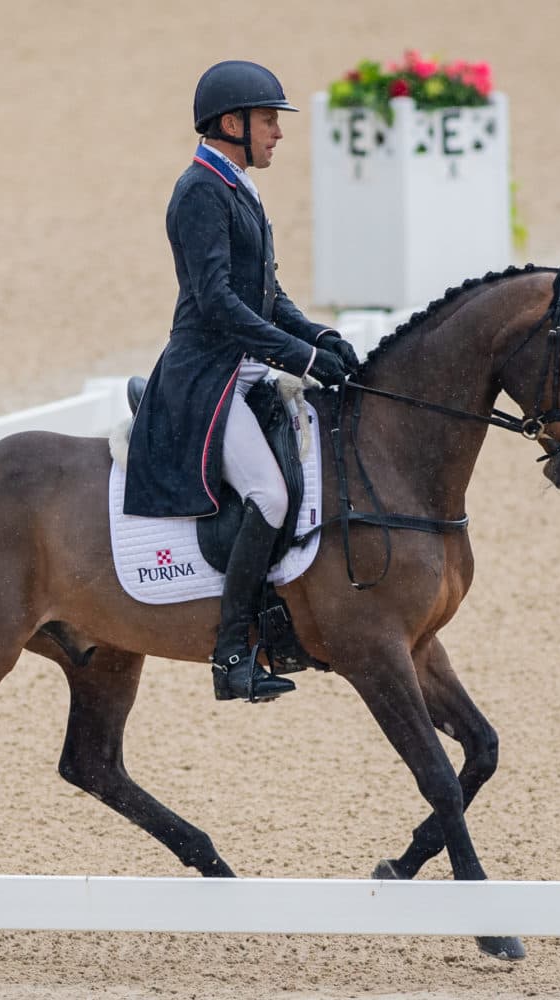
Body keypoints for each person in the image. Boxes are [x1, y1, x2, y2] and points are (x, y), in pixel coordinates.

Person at [123, 60, 361, 703]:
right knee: (272, 493)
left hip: (244, 367)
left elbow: (267, 294)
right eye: (268, 121)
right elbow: (220, 302)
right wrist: (299, 359)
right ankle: (232, 654)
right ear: (232, 124)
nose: (279, 134)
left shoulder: (237, 186)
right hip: (207, 376)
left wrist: (318, 336)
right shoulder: (200, 190)